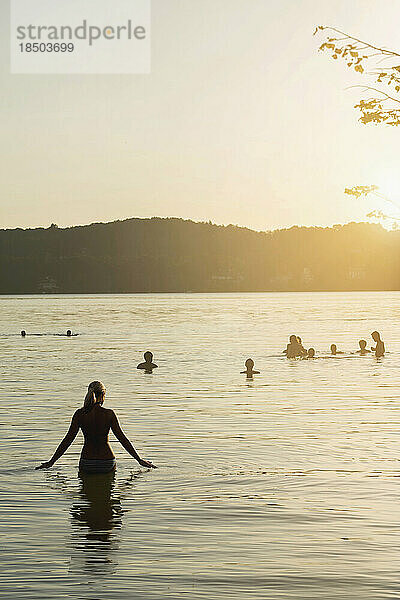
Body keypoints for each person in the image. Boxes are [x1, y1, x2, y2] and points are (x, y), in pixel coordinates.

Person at [36, 381, 155, 473]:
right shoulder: (109, 414)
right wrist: (139, 460)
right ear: (103, 395)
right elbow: (122, 439)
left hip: (87, 462)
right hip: (107, 462)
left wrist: (51, 462)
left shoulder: (80, 414)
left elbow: (68, 440)